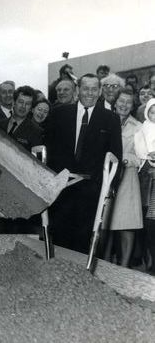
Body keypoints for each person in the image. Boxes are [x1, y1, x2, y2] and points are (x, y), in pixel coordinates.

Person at [45, 73, 122, 253]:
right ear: (78, 90)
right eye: (86, 88)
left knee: (84, 241)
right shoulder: (59, 114)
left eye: (94, 89)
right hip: (61, 187)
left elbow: (115, 156)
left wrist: (110, 188)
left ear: (100, 91)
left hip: (92, 191)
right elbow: (49, 149)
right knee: (60, 238)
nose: (90, 93)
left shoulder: (110, 119)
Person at [103, 89, 143, 267]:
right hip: (105, 177)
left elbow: (142, 158)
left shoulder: (139, 127)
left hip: (127, 178)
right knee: (104, 223)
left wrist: (125, 158)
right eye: (121, 101)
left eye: (128, 102)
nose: (124, 105)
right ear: (115, 102)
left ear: (133, 106)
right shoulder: (104, 121)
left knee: (126, 224)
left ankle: (124, 267)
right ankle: (103, 264)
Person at [135, 98, 155, 274]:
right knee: (147, 220)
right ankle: (148, 257)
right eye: (152, 112)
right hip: (146, 174)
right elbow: (139, 148)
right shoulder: (143, 129)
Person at [0, 85, 42, 151]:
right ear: (14, 102)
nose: (23, 106)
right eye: (21, 102)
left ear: (31, 108)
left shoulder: (36, 131)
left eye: (27, 104)